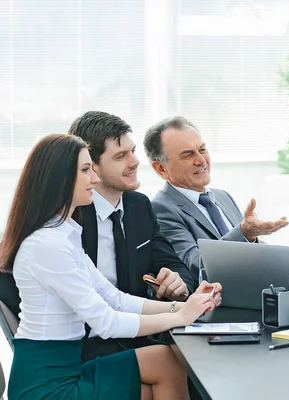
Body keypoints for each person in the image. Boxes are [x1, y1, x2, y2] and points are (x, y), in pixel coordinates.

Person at [0, 134, 221, 400]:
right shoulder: (47, 245)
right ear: (59, 178)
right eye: (85, 170)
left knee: (166, 361)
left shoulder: (64, 234)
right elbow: (105, 321)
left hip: (66, 368)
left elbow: (115, 298)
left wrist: (186, 306)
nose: (94, 178)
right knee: (162, 374)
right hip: (46, 385)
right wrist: (181, 317)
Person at [67, 111, 208, 361]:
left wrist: (179, 284)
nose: (134, 162)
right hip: (84, 342)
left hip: (138, 335)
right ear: (92, 165)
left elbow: (173, 263)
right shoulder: (71, 214)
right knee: (172, 365)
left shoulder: (138, 206)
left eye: (132, 152)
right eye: (121, 156)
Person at [143, 116, 289, 284]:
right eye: (188, 155)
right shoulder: (160, 209)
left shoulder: (221, 197)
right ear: (161, 169)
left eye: (203, 149)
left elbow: (256, 255)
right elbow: (197, 267)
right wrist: (244, 233)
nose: (201, 160)